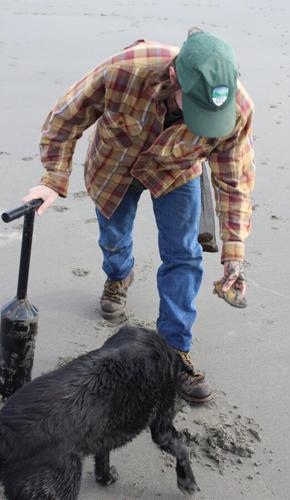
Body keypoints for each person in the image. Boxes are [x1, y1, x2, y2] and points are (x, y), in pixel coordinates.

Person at [22, 28, 255, 404]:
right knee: (114, 238)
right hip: (115, 165)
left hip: (176, 172)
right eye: (195, 107)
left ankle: (173, 351)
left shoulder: (237, 109)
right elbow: (65, 118)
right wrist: (53, 178)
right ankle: (118, 275)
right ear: (174, 76)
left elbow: (234, 179)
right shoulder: (124, 71)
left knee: (184, 254)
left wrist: (234, 256)